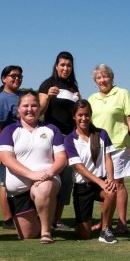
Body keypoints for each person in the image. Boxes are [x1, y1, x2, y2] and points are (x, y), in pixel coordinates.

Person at [0, 91, 67, 244]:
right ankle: (42, 213)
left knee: (44, 188)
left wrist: (49, 173)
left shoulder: (51, 129)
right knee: (28, 235)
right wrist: (32, 175)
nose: (30, 109)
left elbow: (62, 158)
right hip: (19, 190)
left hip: (47, 179)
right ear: (18, 109)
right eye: (25, 106)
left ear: (40, 108)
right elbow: (6, 158)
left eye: (34, 105)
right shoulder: (9, 130)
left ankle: (46, 231)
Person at [88, 64, 130, 234]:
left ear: (112, 77)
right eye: (99, 78)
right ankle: (105, 223)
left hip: (118, 145)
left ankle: (122, 223)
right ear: (95, 82)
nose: (102, 80)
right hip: (97, 146)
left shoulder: (122, 93)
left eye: (105, 76)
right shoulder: (92, 98)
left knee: (118, 184)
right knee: (104, 186)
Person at [64, 100, 118, 243]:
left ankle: (105, 229)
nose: (84, 118)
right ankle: (82, 225)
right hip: (82, 187)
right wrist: (100, 182)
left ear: (91, 115)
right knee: (84, 234)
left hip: (100, 183)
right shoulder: (70, 140)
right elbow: (79, 167)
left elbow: (108, 158)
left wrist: (110, 178)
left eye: (87, 115)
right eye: (80, 115)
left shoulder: (102, 134)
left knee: (111, 191)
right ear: (74, 117)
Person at [38, 51, 80, 230]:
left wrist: (79, 100)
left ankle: (57, 220)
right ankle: (44, 220)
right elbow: (39, 111)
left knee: (67, 180)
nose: (65, 68)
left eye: (68, 65)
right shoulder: (48, 84)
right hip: (51, 138)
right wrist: (48, 96)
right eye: (62, 65)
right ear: (56, 66)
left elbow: (78, 115)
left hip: (69, 138)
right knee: (50, 177)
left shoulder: (73, 87)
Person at [0, 65, 23, 230]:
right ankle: (7, 218)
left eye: (19, 76)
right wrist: (0, 153)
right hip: (6, 149)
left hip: (21, 149)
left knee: (17, 183)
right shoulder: (1, 100)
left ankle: (20, 215)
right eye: (13, 76)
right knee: (5, 183)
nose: (17, 79)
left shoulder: (20, 97)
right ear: (4, 78)